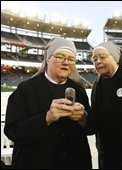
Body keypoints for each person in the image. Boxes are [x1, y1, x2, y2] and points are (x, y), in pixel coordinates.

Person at [4, 38, 92, 169]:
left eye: (71, 59)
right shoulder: (26, 89)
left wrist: (83, 118)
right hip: (36, 162)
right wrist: (46, 118)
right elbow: (12, 131)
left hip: (74, 162)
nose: (66, 62)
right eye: (59, 57)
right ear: (47, 59)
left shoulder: (78, 89)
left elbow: (91, 127)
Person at [90, 41, 122, 169]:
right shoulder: (97, 85)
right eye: (94, 59)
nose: (97, 61)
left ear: (115, 58)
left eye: (102, 57)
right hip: (105, 154)